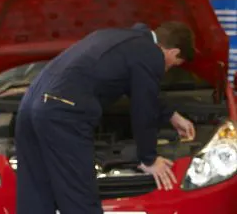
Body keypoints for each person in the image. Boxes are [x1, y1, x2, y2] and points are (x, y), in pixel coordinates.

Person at [15, 21, 196, 214]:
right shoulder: (152, 54)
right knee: (79, 196)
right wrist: (149, 158)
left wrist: (171, 115)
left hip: (30, 104)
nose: (167, 69)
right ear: (174, 52)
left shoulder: (124, 40)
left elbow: (142, 90)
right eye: (174, 65)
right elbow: (144, 109)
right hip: (63, 112)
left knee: (35, 192)